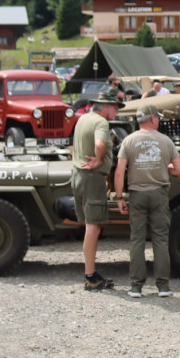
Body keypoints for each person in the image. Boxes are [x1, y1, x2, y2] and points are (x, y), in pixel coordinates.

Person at [114, 104, 180, 297]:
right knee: (160, 239)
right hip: (159, 194)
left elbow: (120, 171)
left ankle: (136, 286)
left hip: (137, 193)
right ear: (153, 119)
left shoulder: (129, 141)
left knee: (136, 239)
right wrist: (164, 168)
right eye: (158, 118)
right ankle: (163, 286)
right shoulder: (166, 141)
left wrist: (119, 197)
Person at [71, 88, 121, 291]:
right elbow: (100, 143)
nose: (116, 112)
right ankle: (90, 275)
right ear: (107, 107)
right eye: (115, 108)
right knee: (93, 227)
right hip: (92, 178)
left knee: (89, 226)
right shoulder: (101, 122)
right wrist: (100, 159)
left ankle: (90, 271)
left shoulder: (84, 118)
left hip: (78, 174)